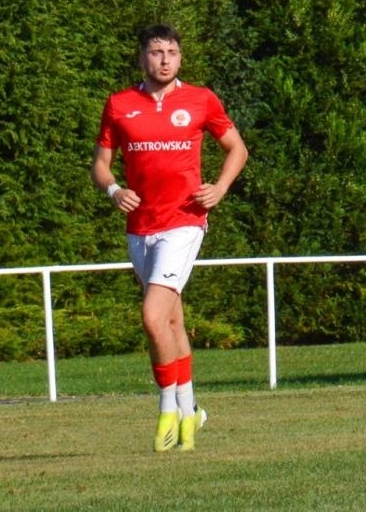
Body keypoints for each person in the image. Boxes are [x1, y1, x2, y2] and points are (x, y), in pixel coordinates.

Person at [91, 24, 249, 453]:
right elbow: (101, 164)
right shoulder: (120, 104)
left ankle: (166, 409)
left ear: (180, 58)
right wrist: (114, 190)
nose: (165, 59)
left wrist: (219, 188)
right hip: (140, 229)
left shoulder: (201, 99)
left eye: (172, 52)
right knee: (171, 321)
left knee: (152, 316)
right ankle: (190, 408)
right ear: (142, 57)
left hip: (184, 222)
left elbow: (237, 148)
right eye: (157, 52)